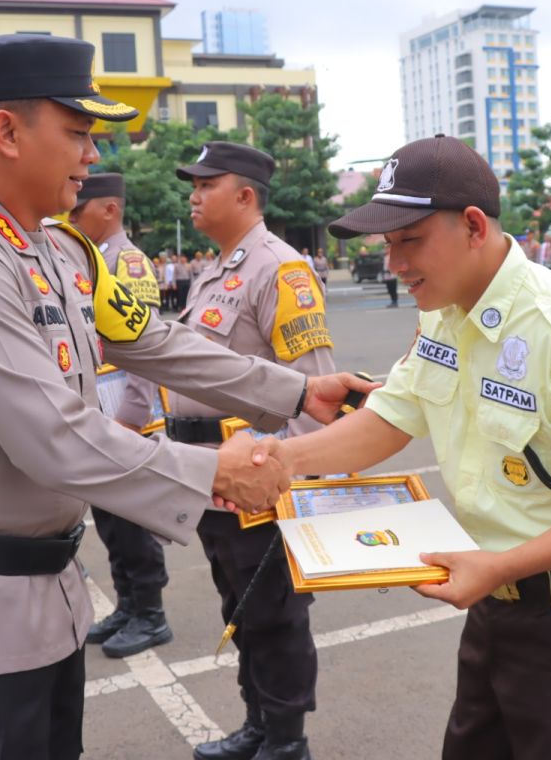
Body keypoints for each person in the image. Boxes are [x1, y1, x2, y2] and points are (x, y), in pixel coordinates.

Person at [0, 35, 375, 759]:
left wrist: (297, 389)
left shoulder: (57, 250)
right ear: (7, 131)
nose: (93, 157)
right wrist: (213, 472)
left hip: (42, 600)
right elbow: (55, 437)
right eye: (77, 133)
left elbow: (149, 342)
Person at [265, 135, 551, 760]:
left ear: (472, 226)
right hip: (493, 599)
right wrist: (285, 462)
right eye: (387, 245)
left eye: (410, 240)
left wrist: (501, 568)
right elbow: (394, 414)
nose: (395, 263)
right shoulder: (445, 312)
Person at [173, 141, 335, 760]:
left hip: (257, 479)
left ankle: (287, 739)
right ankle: (259, 725)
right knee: (239, 606)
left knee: (274, 614)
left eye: (205, 184)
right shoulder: (217, 269)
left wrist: (282, 482)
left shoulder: (279, 269)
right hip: (215, 476)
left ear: (244, 195)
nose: (193, 193)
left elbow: (313, 388)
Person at [68, 172, 173, 658]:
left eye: (79, 210)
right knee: (110, 520)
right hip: (101, 412)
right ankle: (129, 605)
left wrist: (130, 419)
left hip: (125, 413)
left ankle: (150, 614)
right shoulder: (89, 261)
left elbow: (144, 351)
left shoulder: (125, 263)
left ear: (108, 210)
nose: (70, 217)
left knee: (131, 517)